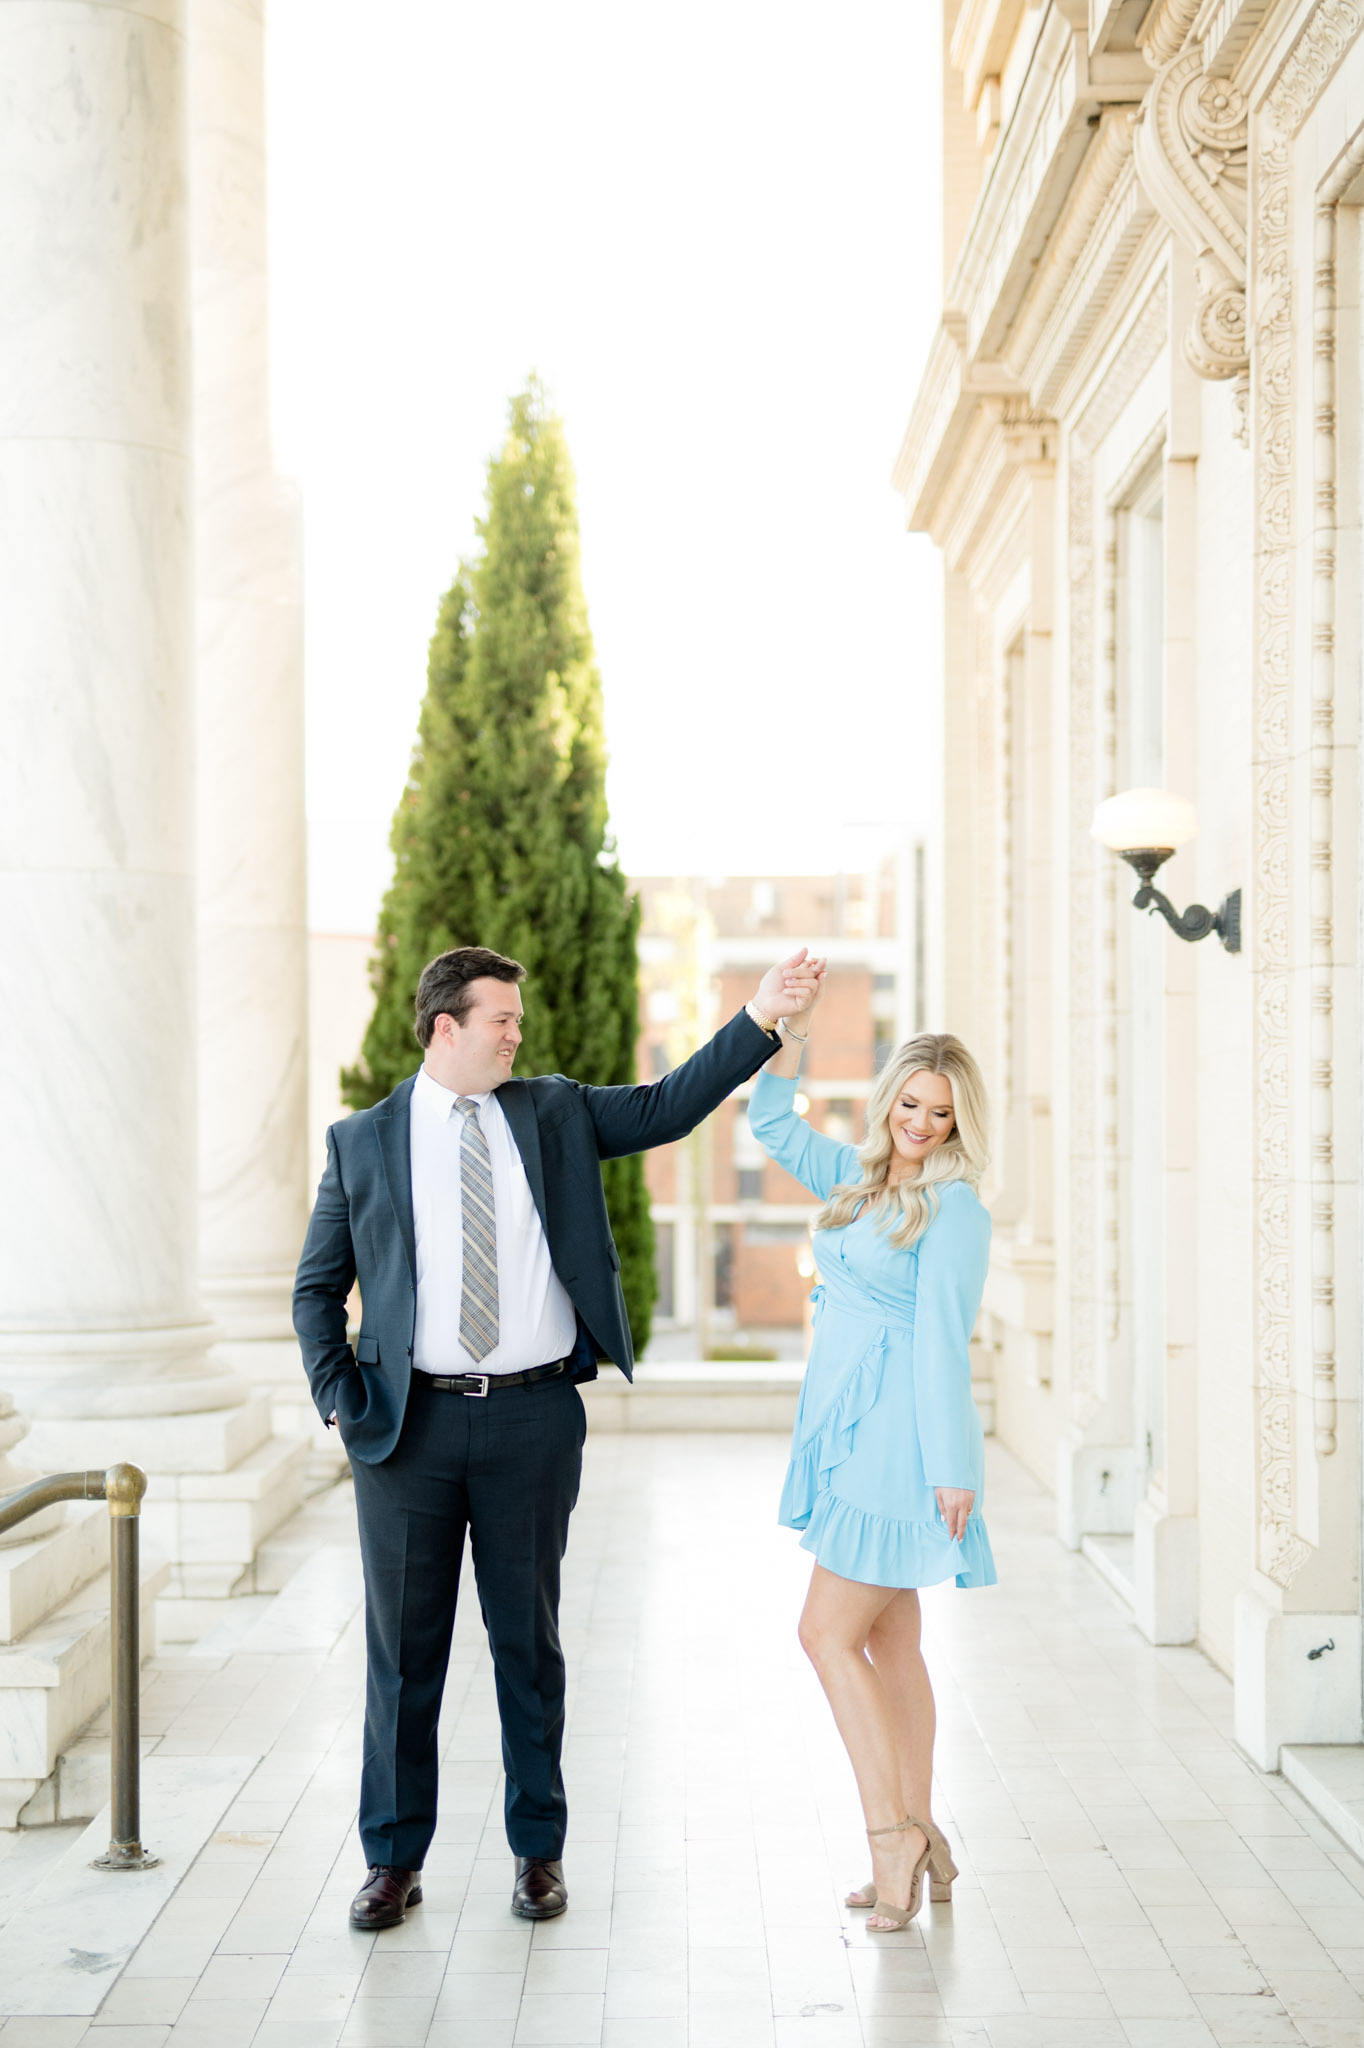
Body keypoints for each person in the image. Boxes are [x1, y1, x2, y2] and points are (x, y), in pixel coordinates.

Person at [293, 942, 823, 1932]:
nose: (515, 1031)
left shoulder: (551, 1111)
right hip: (405, 1432)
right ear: (444, 1025)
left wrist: (758, 1015)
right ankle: (391, 1858)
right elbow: (315, 1286)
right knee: (402, 1656)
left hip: (533, 1419)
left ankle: (537, 1851)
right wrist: (337, 1396)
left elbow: (668, 1104)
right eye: (499, 1016)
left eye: (516, 1018)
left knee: (525, 1645)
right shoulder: (362, 1141)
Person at [747, 1012, 994, 1931]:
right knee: (891, 1646)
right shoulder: (856, 1180)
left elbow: (942, 1343)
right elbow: (771, 1128)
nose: (922, 1123)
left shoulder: (955, 1207)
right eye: (912, 1103)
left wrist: (952, 1467)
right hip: (845, 1419)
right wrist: (788, 1040)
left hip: (898, 1437)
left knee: (823, 1634)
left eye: (941, 1113)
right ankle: (921, 1828)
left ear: (960, 1124)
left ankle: (892, 1836)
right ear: (891, 1098)